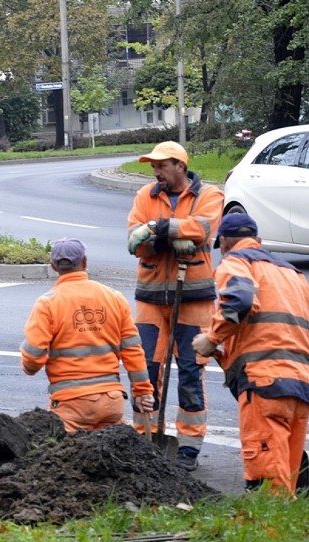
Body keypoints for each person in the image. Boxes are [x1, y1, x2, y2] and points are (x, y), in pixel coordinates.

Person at [191, 214, 309, 495]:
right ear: (259, 241)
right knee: (288, 474)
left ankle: (268, 533)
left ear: (224, 243)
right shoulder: (292, 274)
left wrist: (211, 340)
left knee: (267, 478)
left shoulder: (237, 261)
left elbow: (240, 301)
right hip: (300, 385)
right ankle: (286, 532)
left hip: (265, 383)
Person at [126, 140, 224, 471]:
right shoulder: (145, 196)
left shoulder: (208, 196)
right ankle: (146, 437)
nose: (155, 173)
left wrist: (160, 228)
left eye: (161, 167)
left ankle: (189, 447)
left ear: (180, 166)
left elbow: (203, 229)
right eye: (153, 167)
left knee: (191, 374)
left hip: (194, 299)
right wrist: (165, 236)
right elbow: (135, 239)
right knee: (146, 371)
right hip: (151, 298)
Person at [19, 237, 155, 433]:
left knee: (67, 458)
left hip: (71, 403)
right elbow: (133, 350)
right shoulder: (114, 297)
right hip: (112, 401)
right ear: (85, 262)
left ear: (54, 267)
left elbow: (33, 358)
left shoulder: (47, 303)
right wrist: (142, 391)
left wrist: (27, 366)